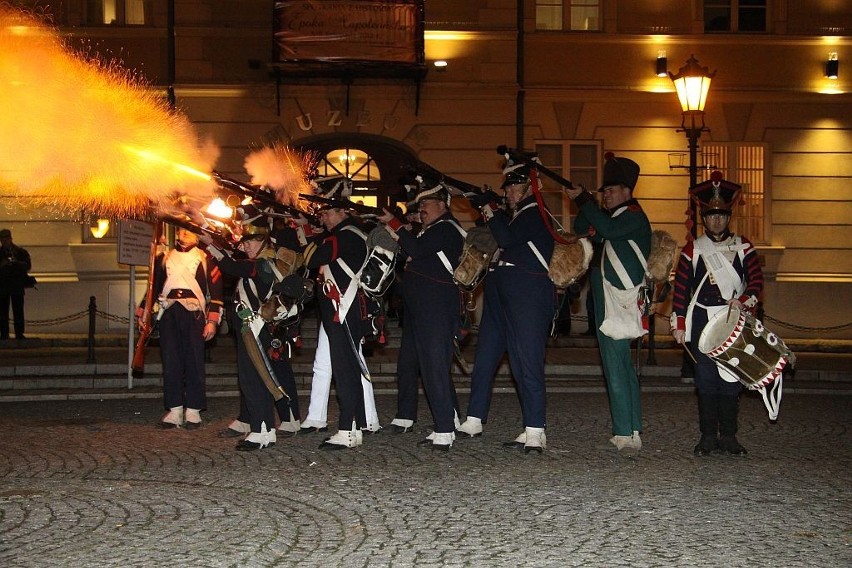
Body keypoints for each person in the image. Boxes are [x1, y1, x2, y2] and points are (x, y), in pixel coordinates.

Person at [455, 155, 556, 453]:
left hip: (527, 295)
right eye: (508, 188)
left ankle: (535, 429)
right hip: (500, 294)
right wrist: (485, 208)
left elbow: (508, 239)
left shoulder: (536, 212)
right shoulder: (513, 215)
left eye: (515, 187)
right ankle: (474, 417)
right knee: (485, 358)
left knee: (527, 361)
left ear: (530, 188)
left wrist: (489, 208)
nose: (509, 192)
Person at [670, 172, 764, 456]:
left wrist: (745, 300)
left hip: (732, 319)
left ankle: (730, 437)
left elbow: (757, 281)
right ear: (704, 218)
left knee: (732, 378)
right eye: (711, 216)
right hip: (701, 321)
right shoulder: (693, 249)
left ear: (728, 216)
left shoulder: (744, 246)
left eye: (721, 215)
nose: (716, 221)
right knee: (706, 380)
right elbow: (681, 290)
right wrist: (680, 324)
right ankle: (708, 436)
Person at [565, 152, 651, 458]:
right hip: (608, 296)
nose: (606, 196)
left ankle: (624, 432)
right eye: (604, 191)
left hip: (620, 298)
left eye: (611, 191)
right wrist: (585, 201)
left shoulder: (633, 216)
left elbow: (609, 231)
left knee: (615, 366)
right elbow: (580, 227)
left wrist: (586, 200)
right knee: (621, 366)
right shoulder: (611, 216)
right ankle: (633, 427)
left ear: (627, 192)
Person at [378, 177, 465, 450]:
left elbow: (415, 250)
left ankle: (444, 431)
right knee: (411, 365)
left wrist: (395, 224)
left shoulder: (447, 229)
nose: (422, 208)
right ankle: (443, 417)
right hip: (420, 309)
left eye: (426, 203)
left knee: (434, 367)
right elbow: (412, 254)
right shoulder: (431, 230)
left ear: (442, 204)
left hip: (436, 309)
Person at [203, 221, 302, 450]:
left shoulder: (264, 264)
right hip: (252, 329)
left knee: (254, 381)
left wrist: (210, 245)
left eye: (252, 241)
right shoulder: (260, 262)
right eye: (245, 242)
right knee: (253, 379)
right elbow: (234, 260)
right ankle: (262, 429)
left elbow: (231, 266)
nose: (246, 246)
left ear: (264, 242)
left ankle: (262, 431)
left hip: (256, 330)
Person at [297, 176, 382, 436]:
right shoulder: (341, 234)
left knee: (348, 368)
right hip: (335, 310)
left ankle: (353, 426)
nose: (323, 218)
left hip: (343, 309)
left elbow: (310, 258)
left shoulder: (344, 235)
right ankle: (340, 421)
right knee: (328, 364)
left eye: (327, 213)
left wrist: (307, 232)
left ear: (342, 211)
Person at [136, 227, 223, 429]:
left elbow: (216, 293)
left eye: (188, 230)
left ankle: (193, 410)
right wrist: (144, 313)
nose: (183, 233)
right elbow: (153, 287)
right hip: (169, 313)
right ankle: (174, 409)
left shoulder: (205, 258)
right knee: (171, 361)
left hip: (194, 314)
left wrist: (211, 321)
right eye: (181, 230)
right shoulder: (164, 257)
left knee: (194, 361)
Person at [0, 228, 32, 341]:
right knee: (3, 311)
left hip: (16, 285)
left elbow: (27, 266)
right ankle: (4, 333)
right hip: (3, 286)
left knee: (18, 310)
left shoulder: (19, 252)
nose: (4, 242)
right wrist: (3, 264)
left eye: (6, 239)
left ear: (10, 239)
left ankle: (19, 333)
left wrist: (16, 262)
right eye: (2, 239)